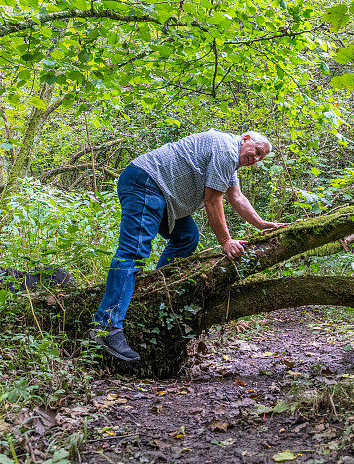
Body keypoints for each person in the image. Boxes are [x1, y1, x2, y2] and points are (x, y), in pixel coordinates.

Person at [90, 129, 285, 361]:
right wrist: (226, 241)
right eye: (256, 152)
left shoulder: (229, 159)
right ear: (245, 140)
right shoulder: (225, 150)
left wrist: (263, 225)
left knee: (187, 237)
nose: (255, 160)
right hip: (146, 182)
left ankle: (155, 294)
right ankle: (106, 326)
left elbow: (237, 197)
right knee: (133, 252)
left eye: (260, 158)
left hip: (164, 196)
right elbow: (213, 199)